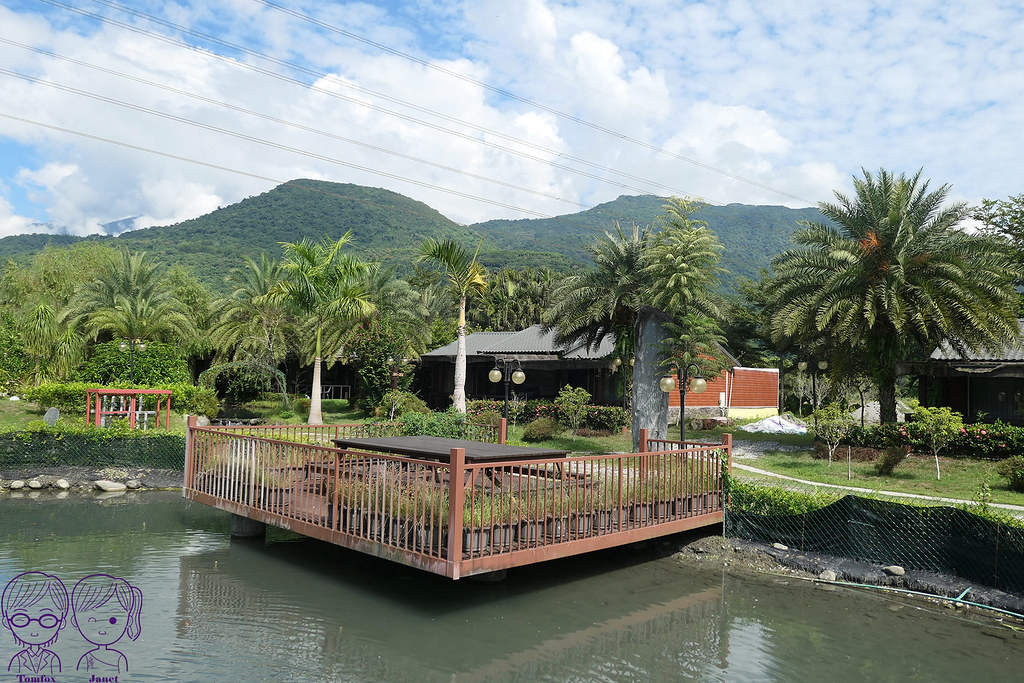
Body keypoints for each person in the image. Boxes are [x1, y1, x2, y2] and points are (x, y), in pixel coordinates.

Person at [71, 573, 142, 673]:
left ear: (129, 621)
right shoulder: (86, 657)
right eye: (92, 620)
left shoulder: (120, 658)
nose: (102, 629)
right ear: (75, 621)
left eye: (113, 620)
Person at [1, 571, 68, 674]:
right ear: (6, 622)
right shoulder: (17, 660)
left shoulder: (53, 659)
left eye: (47, 619)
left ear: (62, 622)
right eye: (20, 619)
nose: (34, 630)